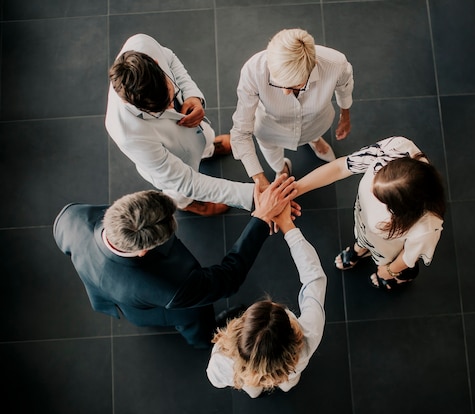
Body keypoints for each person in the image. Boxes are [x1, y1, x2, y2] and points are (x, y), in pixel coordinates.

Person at [53, 175, 298, 349]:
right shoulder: (171, 287)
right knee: (196, 323)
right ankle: (205, 340)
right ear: (143, 251)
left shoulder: (70, 218)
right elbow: (227, 279)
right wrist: (261, 218)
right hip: (161, 308)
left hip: (106, 291)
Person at [106, 33, 251, 217]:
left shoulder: (142, 43)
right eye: (159, 110)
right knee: (179, 192)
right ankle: (189, 205)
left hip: (195, 132)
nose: (171, 107)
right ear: (129, 103)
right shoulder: (127, 133)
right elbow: (185, 181)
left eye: (169, 95)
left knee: (205, 139)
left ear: (156, 64)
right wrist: (249, 195)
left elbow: (171, 59)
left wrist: (192, 96)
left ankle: (209, 148)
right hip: (171, 164)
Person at [206, 202, 327, 397]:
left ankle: (254, 390)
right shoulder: (309, 334)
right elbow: (314, 279)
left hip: (246, 378)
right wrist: (288, 225)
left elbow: (215, 379)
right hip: (290, 370)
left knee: (252, 389)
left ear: (240, 328)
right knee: (289, 381)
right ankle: (287, 384)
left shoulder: (223, 358)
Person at [296, 136, 446, 291]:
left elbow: (408, 255)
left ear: (401, 209)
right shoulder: (396, 149)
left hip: (390, 250)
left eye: (381, 198)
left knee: (403, 269)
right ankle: (361, 248)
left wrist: (389, 270)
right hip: (365, 229)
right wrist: (293, 190)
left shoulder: (427, 226)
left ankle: (402, 277)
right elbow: (341, 167)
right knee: (363, 238)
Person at [230, 28, 354, 190]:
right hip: (270, 127)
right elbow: (240, 132)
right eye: (278, 83)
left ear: (313, 67)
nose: (285, 92)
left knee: (315, 130)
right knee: (271, 151)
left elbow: (344, 88)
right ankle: (281, 169)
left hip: (315, 121)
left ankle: (315, 140)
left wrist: (345, 116)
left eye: (295, 85)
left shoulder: (336, 64)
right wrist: (259, 179)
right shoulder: (253, 70)